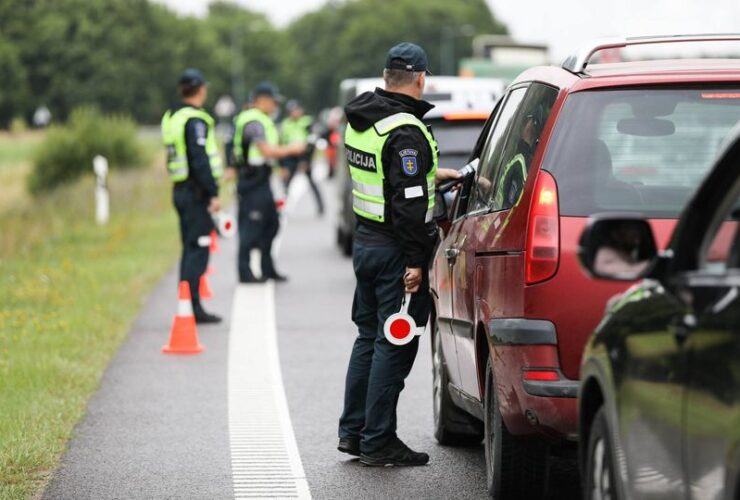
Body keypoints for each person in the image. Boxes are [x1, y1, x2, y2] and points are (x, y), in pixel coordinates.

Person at [337, 42, 460, 466]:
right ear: (421, 78)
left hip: (367, 242)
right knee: (396, 340)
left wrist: (431, 175)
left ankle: (354, 433)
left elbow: (388, 181)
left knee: (368, 337)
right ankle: (378, 441)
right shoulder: (406, 130)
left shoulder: (364, 120)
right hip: (396, 252)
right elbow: (407, 204)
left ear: (387, 76)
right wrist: (415, 263)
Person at [225, 82, 305, 283]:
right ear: (262, 100)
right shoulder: (253, 121)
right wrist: (292, 149)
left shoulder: (262, 119)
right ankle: (245, 272)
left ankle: (267, 268)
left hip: (262, 179)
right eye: (273, 102)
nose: (276, 106)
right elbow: (267, 150)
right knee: (251, 227)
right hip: (252, 180)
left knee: (272, 223)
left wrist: (281, 166)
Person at [161, 68, 223, 323]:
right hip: (195, 192)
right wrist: (213, 193)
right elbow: (199, 160)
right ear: (200, 89)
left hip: (180, 189)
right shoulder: (195, 120)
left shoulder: (173, 116)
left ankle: (187, 302)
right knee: (198, 248)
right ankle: (193, 307)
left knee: (189, 247)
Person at [279, 100, 325, 215]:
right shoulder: (285, 124)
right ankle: (281, 208)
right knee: (285, 183)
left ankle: (321, 207)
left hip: (304, 156)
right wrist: (282, 165)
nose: (294, 113)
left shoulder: (307, 122)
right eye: (292, 111)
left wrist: (305, 160)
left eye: (296, 110)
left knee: (311, 182)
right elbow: (281, 144)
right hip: (290, 157)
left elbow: (312, 142)